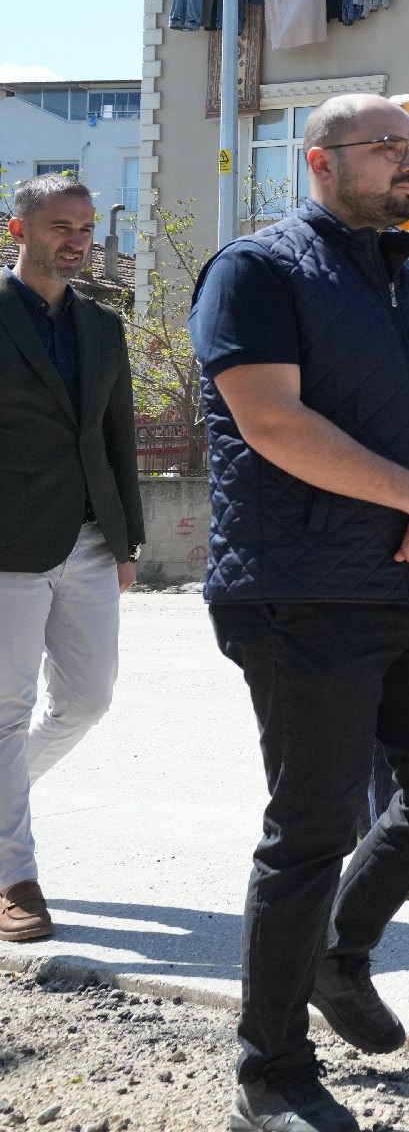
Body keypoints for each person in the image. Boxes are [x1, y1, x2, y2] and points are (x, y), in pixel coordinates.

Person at [189, 94, 409, 1132]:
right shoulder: (257, 270)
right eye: (388, 148)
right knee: (312, 827)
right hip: (304, 590)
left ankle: (339, 951)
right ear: (320, 161)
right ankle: (270, 1074)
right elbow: (272, 420)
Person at [0, 175, 142, 944]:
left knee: (86, 700)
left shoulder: (101, 325)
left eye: (85, 228)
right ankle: (14, 877)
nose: (78, 241)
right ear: (18, 230)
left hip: (89, 539)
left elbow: (116, 436)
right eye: (61, 226)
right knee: (6, 709)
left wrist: (127, 541)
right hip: (7, 544)